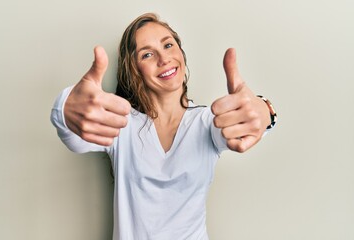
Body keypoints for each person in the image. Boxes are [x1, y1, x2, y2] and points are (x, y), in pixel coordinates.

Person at [51, 13, 276, 240]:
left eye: (168, 45)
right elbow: (73, 138)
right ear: (134, 69)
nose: (164, 58)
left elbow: (246, 123)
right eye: (147, 54)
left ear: (181, 53)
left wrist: (265, 111)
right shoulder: (121, 123)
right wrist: (64, 108)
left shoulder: (207, 122)